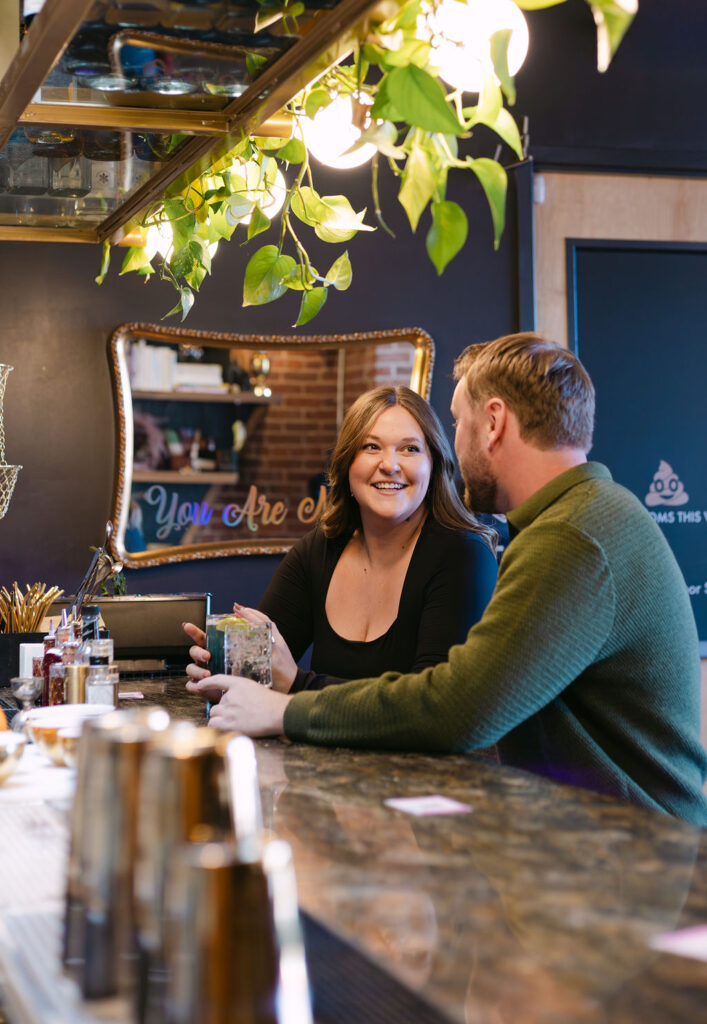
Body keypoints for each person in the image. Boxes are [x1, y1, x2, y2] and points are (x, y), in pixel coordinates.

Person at [189, 333, 707, 825]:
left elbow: (456, 709)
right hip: (604, 842)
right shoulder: (579, 518)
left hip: (644, 861)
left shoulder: (570, 538)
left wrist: (289, 708)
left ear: (494, 422)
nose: (454, 446)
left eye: (456, 423)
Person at [185, 385, 498, 700]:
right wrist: (225, 671)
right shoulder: (320, 549)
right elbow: (263, 669)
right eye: (371, 447)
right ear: (347, 464)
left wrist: (297, 684)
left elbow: (432, 707)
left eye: (410, 449)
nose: (390, 464)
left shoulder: (463, 556)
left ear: (434, 465)